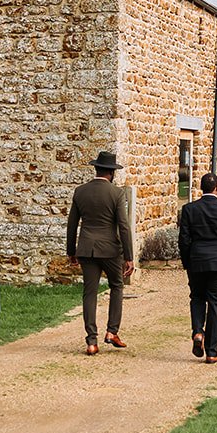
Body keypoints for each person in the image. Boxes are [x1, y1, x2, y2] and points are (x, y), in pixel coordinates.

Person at [66, 150, 134, 355]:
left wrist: (71, 251)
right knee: (117, 286)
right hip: (111, 250)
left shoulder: (80, 191)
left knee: (90, 292)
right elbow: (123, 226)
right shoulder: (116, 193)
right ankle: (112, 332)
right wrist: (129, 257)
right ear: (112, 173)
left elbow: (72, 225)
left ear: (96, 168)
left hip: (86, 248)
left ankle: (91, 341)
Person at [178, 171, 217, 364]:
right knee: (216, 304)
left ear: (200, 188)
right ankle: (212, 351)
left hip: (197, 260)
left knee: (197, 297)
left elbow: (183, 240)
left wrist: (187, 262)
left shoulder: (189, 209)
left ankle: (198, 332)